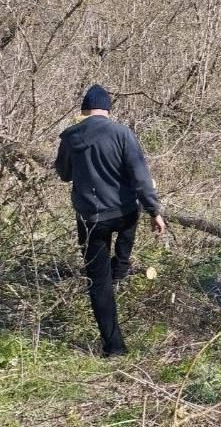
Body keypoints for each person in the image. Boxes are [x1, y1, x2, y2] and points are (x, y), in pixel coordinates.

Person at [55, 84, 165, 356]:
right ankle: (122, 266)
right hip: (125, 213)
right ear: (108, 109)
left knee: (98, 282)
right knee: (127, 229)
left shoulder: (70, 137)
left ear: (84, 110)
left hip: (90, 218)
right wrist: (154, 211)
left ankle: (114, 347)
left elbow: (64, 174)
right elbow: (140, 177)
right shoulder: (122, 133)